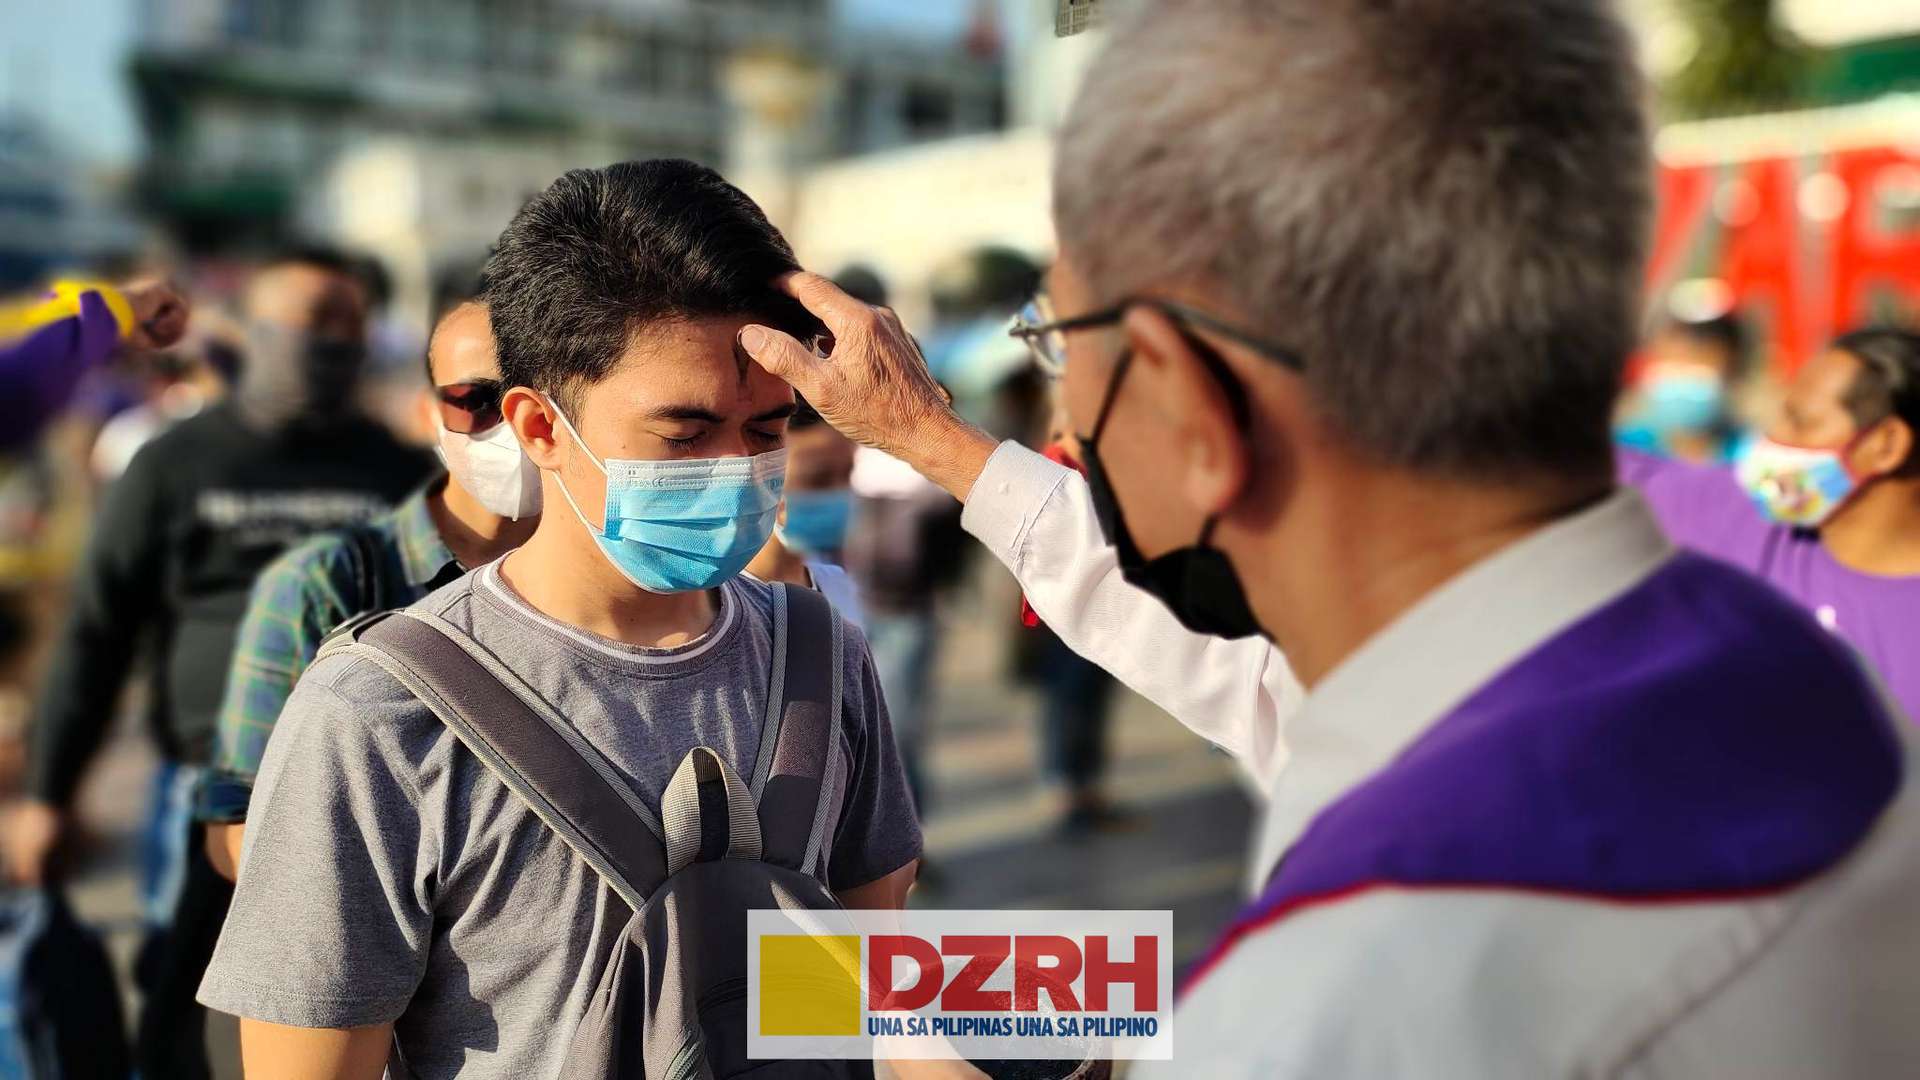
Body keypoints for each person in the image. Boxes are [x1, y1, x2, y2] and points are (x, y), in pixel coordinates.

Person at [737, 0, 1920, 1073]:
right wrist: (937, 442)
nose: (1057, 415)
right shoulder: (1778, 682)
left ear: (1189, 392)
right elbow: (1243, 674)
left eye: (1059, 342)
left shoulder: (1353, 994)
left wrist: (911, 1046)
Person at [197, 160, 920, 1080]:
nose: (736, 467)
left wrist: (1068, 1023)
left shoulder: (822, 660)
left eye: (769, 430)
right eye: (685, 434)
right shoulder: (375, 717)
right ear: (540, 429)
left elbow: (870, 1003)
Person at [7, 246, 434, 1080]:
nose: (333, 346)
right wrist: (49, 793)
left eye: (350, 327)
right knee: (187, 1010)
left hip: (372, 795)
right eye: (314, 325)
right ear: (254, 333)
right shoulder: (175, 463)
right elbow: (99, 628)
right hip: (201, 793)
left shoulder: (397, 470)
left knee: (346, 1010)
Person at [197, 300, 542, 876]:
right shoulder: (322, 584)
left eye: (536, 398)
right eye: (478, 400)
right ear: (426, 413)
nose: (513, 425)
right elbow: (235, 829)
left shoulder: (633, 581)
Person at [1626, 327, 1920, 721]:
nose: (1774, 437)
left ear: (1887, 445)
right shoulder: (1734, 511)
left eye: (1800, 423)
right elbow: (1587, 471)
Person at [744, 397, 866, 625]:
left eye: (847, 474)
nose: (840, 492)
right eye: (817, 479)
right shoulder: (715, 607)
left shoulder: (838, 586)